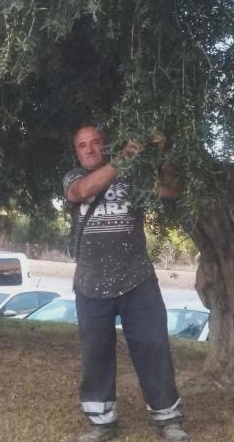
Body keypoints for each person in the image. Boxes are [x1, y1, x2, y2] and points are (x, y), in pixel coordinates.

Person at [63, 124, 190, 442]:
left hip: (137, 279)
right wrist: (123, 158)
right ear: (77, 152)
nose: (89, 149)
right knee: (95, 354)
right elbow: (81, 193)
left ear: (104, 146)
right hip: (90, 283)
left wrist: (164, 154)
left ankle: (168, 419)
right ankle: (101, 423)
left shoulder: (133, 177)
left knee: (153, 347)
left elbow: (171, 190)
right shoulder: (72, 178)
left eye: (95, 143)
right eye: (82, 145)